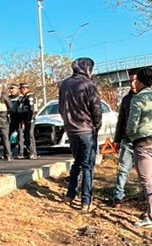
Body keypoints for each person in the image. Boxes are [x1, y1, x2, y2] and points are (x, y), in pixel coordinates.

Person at [59, 57, 102, 212]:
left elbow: (60, 107)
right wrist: (97, 125)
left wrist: (68, 123)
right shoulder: (89, 85)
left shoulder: (64, 84)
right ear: (87, 68)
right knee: (88, 166)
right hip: (87, 131)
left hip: (71, 131)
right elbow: (96, 109)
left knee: (76, 162)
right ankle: (86, 201)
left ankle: (70, 195)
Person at [126, 67, 152, 228]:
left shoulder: (138, 99)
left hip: (143, 143)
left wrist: (131, 135)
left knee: (146, 181)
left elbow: (132, 123)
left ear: (140, 81)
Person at [111, 69, 138, 208]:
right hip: (127, 141)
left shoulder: (147, 98)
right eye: (130, 80)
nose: (132, 84)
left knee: (144, 173)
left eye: (135, 80)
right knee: (123, 170)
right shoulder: (126, 99)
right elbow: (121, 121)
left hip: (142, 142)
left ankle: (147, 197)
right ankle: (118, 198)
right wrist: (117, 140)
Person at [17, 82, 38, 159]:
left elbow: (31, 108)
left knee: (29, 135)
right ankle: (29, 152)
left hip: (29, 118)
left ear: (25, 88)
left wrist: (30, 118)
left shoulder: (30, 96)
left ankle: (33, 152)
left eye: (21, 89)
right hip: (25, 118)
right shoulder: (23, 97)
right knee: (26, 135)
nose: (20, 91)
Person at [7, 83, 22, 158]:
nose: (11, 90)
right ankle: (8, 152)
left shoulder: (20, 97)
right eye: (10, 89)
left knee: (20, 136)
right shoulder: (8, 98)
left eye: (13, 88)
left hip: (19, 117)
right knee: (8, 136)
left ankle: (20, 152)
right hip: (10, 118)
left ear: (17, 89)